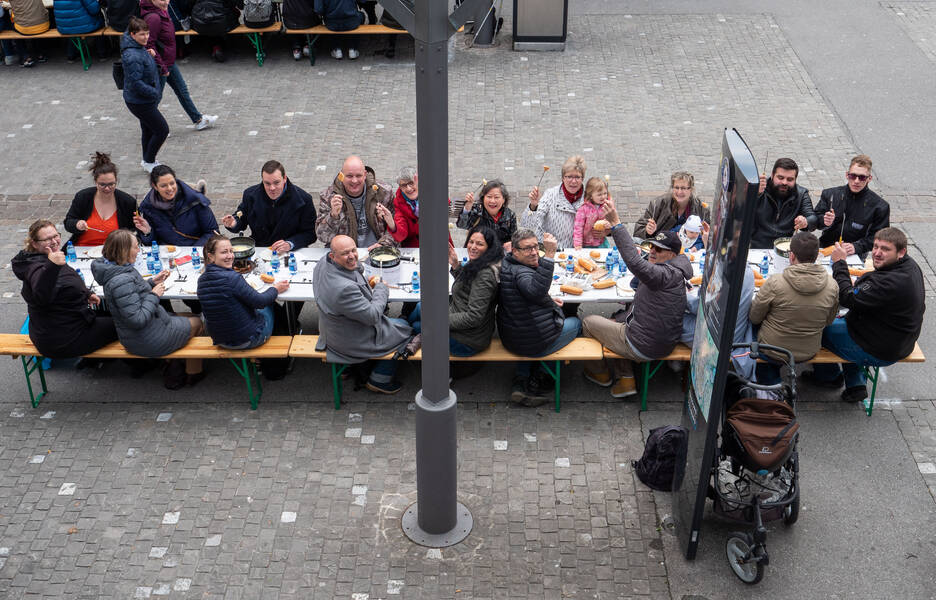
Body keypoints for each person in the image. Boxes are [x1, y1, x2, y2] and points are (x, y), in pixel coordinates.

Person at [802, 228, 925, 403]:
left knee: (816, 326)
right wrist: (860, 284)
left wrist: (839, 264)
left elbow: (847, 298)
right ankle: (855, 384)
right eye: (875, 247)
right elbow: (873, 282)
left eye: (885, 249)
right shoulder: (909, 265)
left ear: (901, 252)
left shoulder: (890, 283)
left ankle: (828, 376)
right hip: (897, 338)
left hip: (880, 348)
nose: (877, 253)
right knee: (845, 320)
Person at [581, 205, 692, 398]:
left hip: (645, 345)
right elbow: (638, 258)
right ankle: (626, 378)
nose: (653, 252)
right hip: (664, 340)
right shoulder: (676, 270)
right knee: (617, 318)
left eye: (660, 249)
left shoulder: (662, 275)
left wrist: (616, 224)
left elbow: (633, 261)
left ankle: (601, 374)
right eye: (652, 246)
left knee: (588, 322)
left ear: (673, 255)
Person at [91, 229, 205, 389]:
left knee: (188, 315)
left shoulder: (115, 269)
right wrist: (154, 294)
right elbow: (137, 319)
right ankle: (190, 372)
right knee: (198, 322)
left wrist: (151, 282)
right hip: (146, 339)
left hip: (142, 331)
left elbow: (133, 295)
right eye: (136, 247)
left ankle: (173, 361)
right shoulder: (120, 281)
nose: (139, 251)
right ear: (124, 250)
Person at [312, 235, 412, 394]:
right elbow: (372, 315)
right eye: (345, 253)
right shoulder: (344, 289)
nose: (352, 256)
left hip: (332, 329)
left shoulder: (323, 263)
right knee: (407, 330)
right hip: (349, 339)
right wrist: (381, 288)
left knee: (400, 323)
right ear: (333, 255)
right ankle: (380, 379)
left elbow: (353, 269)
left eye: (353, 250)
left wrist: (360, 273)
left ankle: (351, 369)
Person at [498, 229, 582, 407]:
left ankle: (520, 380)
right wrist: (550, 255)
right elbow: (535, 290)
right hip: (532, 342)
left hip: (512, 337)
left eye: (536, 246)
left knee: (530, 334)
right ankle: (541, 376)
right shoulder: (522, 273)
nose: (534, 252)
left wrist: (548, 300)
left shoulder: (507, 264)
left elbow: (526, 294)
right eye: (528, 249)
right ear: (515, 251)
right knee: (575, 321)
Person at [12, 220, 117, 359]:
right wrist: (52, 265)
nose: (54, 241)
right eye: (47, 239)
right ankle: (138, 364)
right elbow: (42, 294)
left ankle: (93, 361)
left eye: (56, 236)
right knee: (122, 324)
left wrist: (86, 293)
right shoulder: (39, 267)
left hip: (51, 331)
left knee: (108, 313)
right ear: (34, 243)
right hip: (64, 340)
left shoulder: (36, 259)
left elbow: (64, 284)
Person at [748, 232, 839, 384]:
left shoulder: (775, 282)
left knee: (748, 330)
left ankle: (771, 380)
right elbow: (829, 321)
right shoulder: (832, 285)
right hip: (810, 350)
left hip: (773, 350)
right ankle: (828, 374)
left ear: (791, 256)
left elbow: (754, 317)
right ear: (816, 257)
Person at [408, 226, 503, 357]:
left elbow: (473, 317)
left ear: (489, 247)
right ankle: (405, 330)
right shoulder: (480, 261)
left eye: (480, 244)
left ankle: (403, 335)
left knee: (417, 325)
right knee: (421, 306)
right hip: (459, 312)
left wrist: (439, 319)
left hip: (469, 340)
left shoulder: (485, 275)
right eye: (471, 242)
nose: (473, 247)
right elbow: (469, 286)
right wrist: (455, 265)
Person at [197, 235, 289, 349]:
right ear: (211, 256)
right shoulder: (232, 278)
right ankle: (286, 336)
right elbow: (260, 302)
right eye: (224, 252)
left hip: (220, 340)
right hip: (246, 340)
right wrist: (276, 288)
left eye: (231, 251)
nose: (230, 256)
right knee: (269, 304)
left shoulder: (201, 280)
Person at [141, 0, 218, 131]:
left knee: (182, 90)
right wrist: (163, 67)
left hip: (168, 61)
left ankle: (198, 120)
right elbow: (148, 45)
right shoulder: (153, 18)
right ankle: (151, 127)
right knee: (155, 98)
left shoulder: (161, 11)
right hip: (161, 65)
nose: (165, 2)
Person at [222, 160, 318, 252]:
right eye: (267, 183)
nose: (272, 188)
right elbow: (241, 220)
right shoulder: (250, 195)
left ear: (284, 179)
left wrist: (290, 244)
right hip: (260, 249)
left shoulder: (304, 199)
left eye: (276, 183)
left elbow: (310, 233)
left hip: (290, 252)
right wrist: (233, 223)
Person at [814, 154, 890, 258]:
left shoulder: (880, 206)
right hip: (825, 248)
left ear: (869, 178)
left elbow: (880, 238)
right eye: (853, 176)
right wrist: (824, 221)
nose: (856, 181)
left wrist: (857, 247)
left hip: (855, 254)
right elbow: (815, 221)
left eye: (862, 177)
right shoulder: (830, 194)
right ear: (847, 175)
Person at [121, 17, 169, 173]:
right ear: (133, 34)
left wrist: (150, 56)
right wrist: (155, 93)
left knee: (148, 129)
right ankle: (149, 160)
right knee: (162, 130)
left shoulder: (138, 49)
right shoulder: (132, 56)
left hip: (141, 99)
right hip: (140, 101)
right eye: (142, 34)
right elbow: (136, 82)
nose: (146, 38)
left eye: (147, 34)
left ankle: (148, 160)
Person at [316, 155, 396, 249]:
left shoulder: (383, 192)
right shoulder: (328, 197)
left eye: (358, 176)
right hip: (344, 253)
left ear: (365, 174)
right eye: (349, 176)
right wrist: (333, 216)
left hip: (377, 251)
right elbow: (323, 237)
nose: (354, 181)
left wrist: (383, 245)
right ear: (341, 175)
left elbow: (397, 227)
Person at [64, 152, 139, 246]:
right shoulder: (83, 197)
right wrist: (77, 224)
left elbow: (135, 230)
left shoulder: (127, 202)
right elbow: (68, 223)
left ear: (116, 181)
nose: (107, 188)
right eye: (102, 184)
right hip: (82, 248)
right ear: (95, 182)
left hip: (114, 251)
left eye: (111, 184)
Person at [135, 165, 218, 247]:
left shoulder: (194, 200)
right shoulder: (147, 208)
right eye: (164, 186)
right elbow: (151, 244)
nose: (170, 188)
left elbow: (212, 233)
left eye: (172, 183)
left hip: (196, 252)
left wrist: (192, 251)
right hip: (168, 255)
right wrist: (148, 232)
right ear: (155, 186)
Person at [521, 155, 587, 248]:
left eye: (577, 177)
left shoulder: (588, 198)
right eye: (569, 177)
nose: (573, 181)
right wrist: (533, 206)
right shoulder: (550, 195)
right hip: (548, 249)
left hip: (575, 251)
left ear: (582, 179)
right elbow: (527, 225)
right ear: (563, 178)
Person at [750, 158, 816, 249]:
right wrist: (755, 195)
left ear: (795, 179)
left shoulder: (801, 194)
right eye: (780, 178)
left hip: (785, 248)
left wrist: (806, 221)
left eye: (790, 179)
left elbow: (813, 219)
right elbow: (740, 213)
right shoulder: (759, 189)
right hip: (755, 246)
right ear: (772, 175)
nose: (784, 182)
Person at [633, 171, 710, 240]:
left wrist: (699, 242)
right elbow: (638, 231)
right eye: (676, 187)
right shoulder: (657, 204)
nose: (679, 192)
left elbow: (709, 236)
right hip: (661, 249)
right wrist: (648, 231)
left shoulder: (702, 209)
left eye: (683, 188)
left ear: (691, 189)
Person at [458, 180, 518, 249]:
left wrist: (512, 244)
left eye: (496, 197)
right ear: (483, 198)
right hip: (476, 253)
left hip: (500, 255)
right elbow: (461, 224)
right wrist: (467, 207)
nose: (492, 201)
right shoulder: (477, 210)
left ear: (503, 199)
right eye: (489, 197)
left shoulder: (510, 215)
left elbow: (515, 239)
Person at [573, 176, 611, 250]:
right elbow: (578, 227)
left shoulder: (607, 206)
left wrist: (608, 225)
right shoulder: (583, 209)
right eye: (599, 194)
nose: (603, 197)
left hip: (601, 242)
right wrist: (578, 244)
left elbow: (613, 220)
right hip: (586, 244)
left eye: (605, 193)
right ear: (590, 195)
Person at [8, 0, 49, 66]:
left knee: (13, 26)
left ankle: (25, 57)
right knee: (34, 19)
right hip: (44, 25)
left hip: (25, 28)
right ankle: (41, 54)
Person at [391, 166, 420, 248]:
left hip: (438, 241)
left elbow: (445, 204)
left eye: (411, 183)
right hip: (413, 249)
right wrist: (392, 225)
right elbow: (401, 235)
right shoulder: (398, 203)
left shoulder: (431, 191)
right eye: (404, 185)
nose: (408, 188)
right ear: (400, 187)